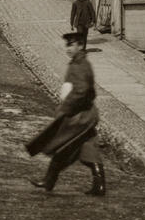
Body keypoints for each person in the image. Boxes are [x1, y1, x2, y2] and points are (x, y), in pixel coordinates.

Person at [26, 31, 106, 196]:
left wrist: (66, 108)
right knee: (87, 148)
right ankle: (99, 185)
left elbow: (82, 91)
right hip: (86, 115)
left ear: (80, 46)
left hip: (80, 116)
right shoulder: (81, 62)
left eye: (71, 44)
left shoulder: (79, 66)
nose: (68, 48)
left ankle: (49, 181)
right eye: (67, 45)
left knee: (63, 146)